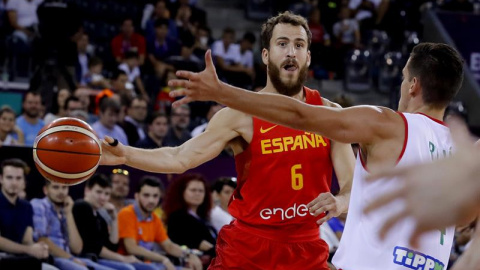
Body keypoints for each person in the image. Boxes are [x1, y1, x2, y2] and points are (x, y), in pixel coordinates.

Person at [168, 39, 465, 269]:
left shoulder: (390, 125)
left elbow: (302, 116)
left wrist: (223, 93)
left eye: (403, 78)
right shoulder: (459, 153)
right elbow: (461, 221)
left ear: (413, 85)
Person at [101, 11, 355, 270]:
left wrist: (340, 202)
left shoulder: (330, 114)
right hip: (249, 247)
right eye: (282, 43)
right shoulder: (239, 116)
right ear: (265, 56)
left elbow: (351, 184)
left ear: (308, 57)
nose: (291, 52)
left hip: (306, 247)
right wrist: (125, 155)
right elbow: (180, 157)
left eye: (299, 45)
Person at [117, 176, 202, 270]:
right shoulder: (127, 213)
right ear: (137, 196)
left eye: (155, 196)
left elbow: (168, 246)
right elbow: (131, 248)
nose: (151, 200)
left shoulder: (155, 218)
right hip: (130, 264)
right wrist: (163, 259)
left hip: (151, 265)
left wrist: (188, 255)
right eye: (146, 195)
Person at [73, 174, 150, 270]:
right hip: (82, 259)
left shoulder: (99, 216)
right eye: (98, 192)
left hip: (96, 259)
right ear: (87, 190)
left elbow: (112, 247)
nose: (102, 197)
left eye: (106, 194)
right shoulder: (82, 206)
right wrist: (123, 258)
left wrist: (114, 219)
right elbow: (95, 247)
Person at [31, 180, 112, 270]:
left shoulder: (66, 210)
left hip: (70, 257)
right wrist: (71, 258)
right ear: (46, 190)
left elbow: (76, 248)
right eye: (56, 187)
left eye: (64, 187)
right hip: (50, 257)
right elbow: (41, 240)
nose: (61, 191)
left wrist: (69, 214)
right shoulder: (39, 205)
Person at [0, 158, 56, 270]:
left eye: (18, 178)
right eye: (9, 177)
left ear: (23, 181)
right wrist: (28, 249)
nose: (14, 182)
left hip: (20, 257)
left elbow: (27, 240)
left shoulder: (26, 206)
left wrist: (39, 248)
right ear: (1, 179)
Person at [163, 174, 217, 267]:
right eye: (193, 190)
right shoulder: (177, 217)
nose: (197, 194)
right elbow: (194, 242)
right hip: (188, 262)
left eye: (201, 191)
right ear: (182, 192)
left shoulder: (203, 217)